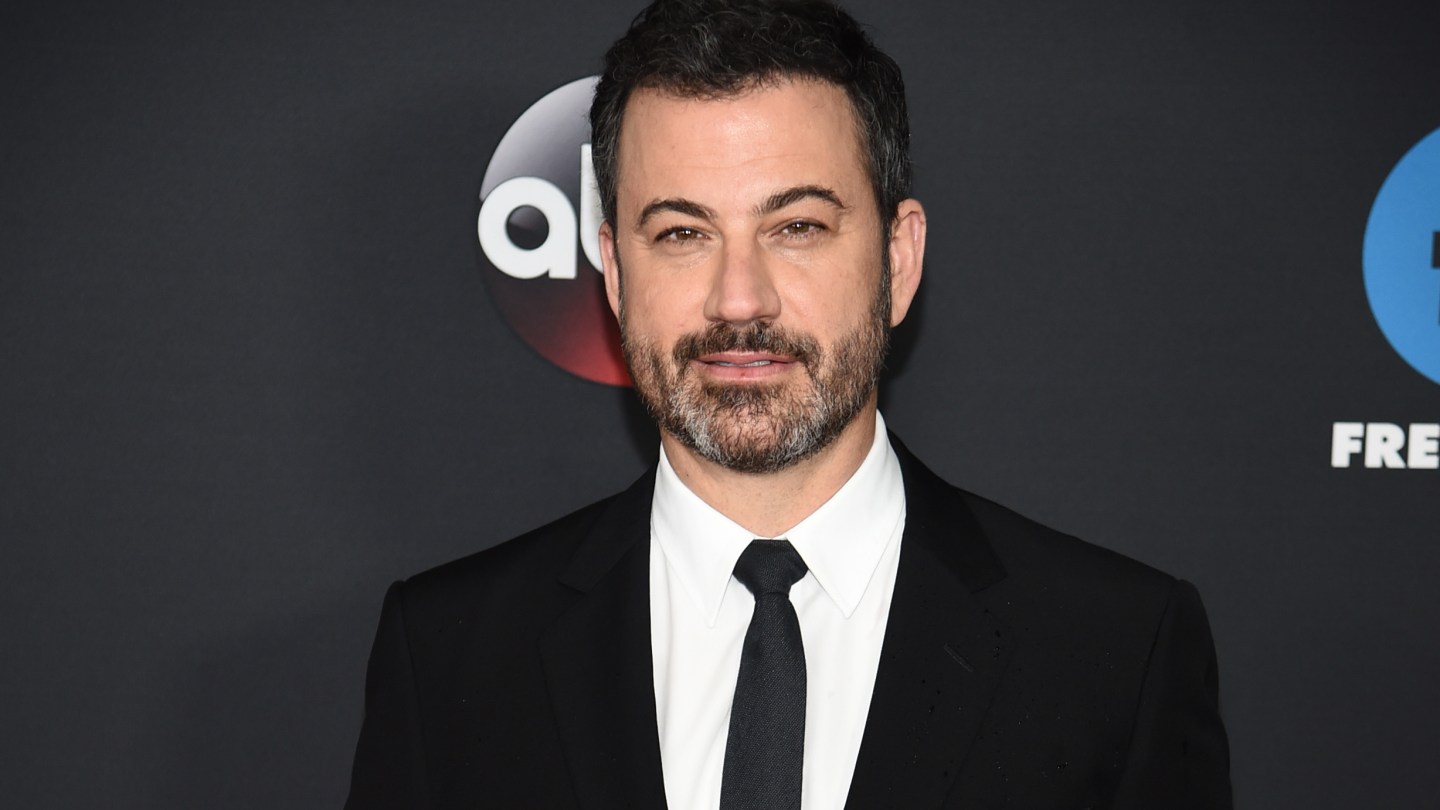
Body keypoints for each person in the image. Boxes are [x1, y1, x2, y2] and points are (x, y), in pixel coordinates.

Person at [344, 0, 1232, 807]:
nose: (739, 299)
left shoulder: (1116, 653)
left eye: (797, 227)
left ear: (899, 260)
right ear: (614, 273)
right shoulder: (450, 658)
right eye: (682, 233)